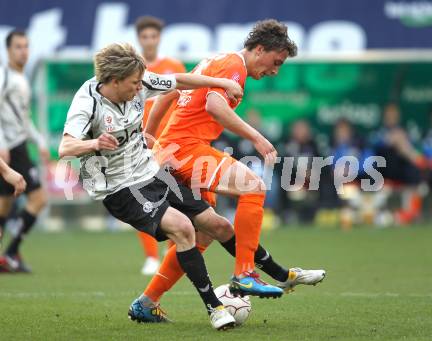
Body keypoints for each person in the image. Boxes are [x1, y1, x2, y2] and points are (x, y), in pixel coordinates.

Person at [58, 42, 245, 330]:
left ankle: (258, 273)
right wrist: (94, 143)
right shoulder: (88, 101)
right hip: (120, 188)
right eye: (134, 83)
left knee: (215, 224)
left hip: (150, 171)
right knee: (183, 229)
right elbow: (65, 146)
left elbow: (179, 81)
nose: (139, 88)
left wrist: (220, 81)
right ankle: (216, 308)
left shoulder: (139, 79)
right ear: (115, 80)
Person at [144, 19, 325, 301]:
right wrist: (257, 137)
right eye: (275, 62)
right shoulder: (234, 66)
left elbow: (169, 94)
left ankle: (147, 302)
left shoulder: (217, 61)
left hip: (174, 150)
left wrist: (150, 137)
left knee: (205, 234)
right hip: (186, 149)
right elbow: (214, 106)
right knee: (253, 185)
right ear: (259, 49)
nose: (275, 71)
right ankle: (245, 274)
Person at [135, 16, 186, 275]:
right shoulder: (133, 69)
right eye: (145, 37)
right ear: (139, 39)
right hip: (140, 143)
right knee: (140, 197)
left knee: (174, 197)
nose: (149, 41)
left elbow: (184, 99)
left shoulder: (173, 66)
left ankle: (172, 250)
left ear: (159, 38)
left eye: (153, 36)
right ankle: (151, 256)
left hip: (171, 142)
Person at [0, 30, 49, 273]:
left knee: (5, 205)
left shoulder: (21, 79)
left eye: (26, 46)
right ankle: (9, 254)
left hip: (18, 145)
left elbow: (24, 118)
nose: (23, 51)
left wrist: (39, 141)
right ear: (8, 50)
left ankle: (8, 255)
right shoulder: (4, 76)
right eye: (18, 46)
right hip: (9, 148)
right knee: (38, 199)